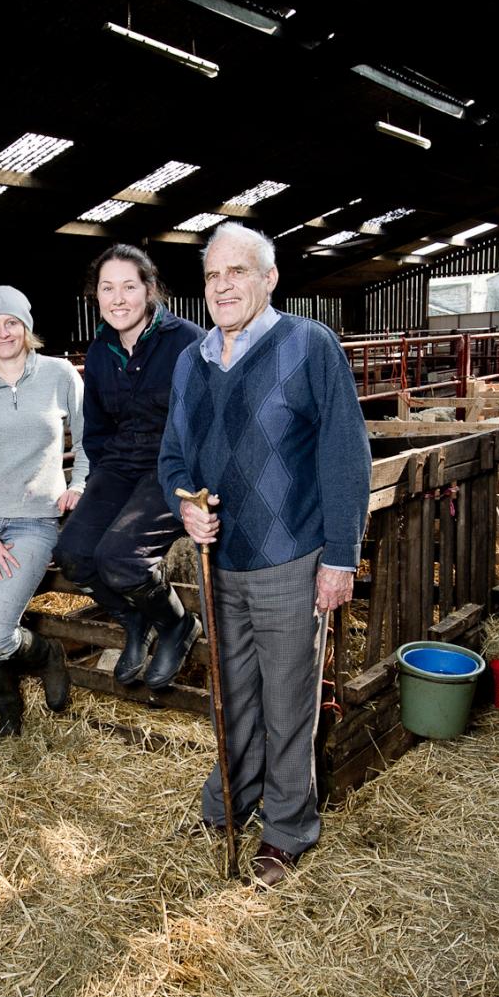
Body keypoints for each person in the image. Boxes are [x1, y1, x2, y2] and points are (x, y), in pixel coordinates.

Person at [158, 222, 371, 889]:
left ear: (269, 278)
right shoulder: (191, 362)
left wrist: (341, 557)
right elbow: (173, 457)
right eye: (213, 276)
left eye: (238, 272)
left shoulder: (309, 346)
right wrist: (182, 506)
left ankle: (286, 828)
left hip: (288, 558)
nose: (224, 286)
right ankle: (229, 800)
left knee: (287, 698)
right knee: (231, 696)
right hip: (218, 563)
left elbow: (345, 452)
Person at [54, 244, 204, 690]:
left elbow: (204, 424)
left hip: (169, 466)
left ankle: (176, 624)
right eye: (107, 288)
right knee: (74, 555)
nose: (118, 299)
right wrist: (101, 486)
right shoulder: (100, 348)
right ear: (96, 296)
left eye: (128, 287)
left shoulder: (187, 342)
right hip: (119, 466)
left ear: (149, 289)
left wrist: (193, 485)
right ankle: (135, 620)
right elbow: (96, 427)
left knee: (120, 558)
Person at [0, 286, 86, 737]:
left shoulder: (60, 374)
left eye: (11, 322)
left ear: (26, 327)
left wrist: (80, 482)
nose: (3, 332)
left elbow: (89, 442)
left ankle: (46, 654)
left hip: (34, 521)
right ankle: (8, 713)